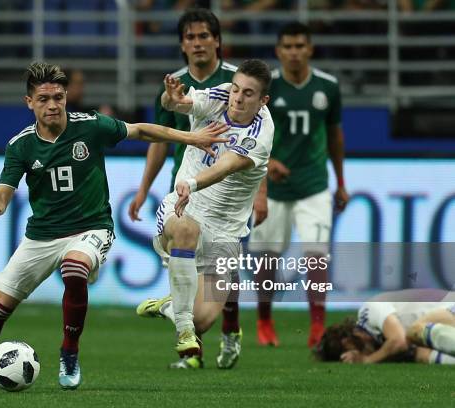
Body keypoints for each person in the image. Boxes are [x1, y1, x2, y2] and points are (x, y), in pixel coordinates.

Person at [0, 62, 229, 391]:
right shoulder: (20, 145)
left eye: (58, 97)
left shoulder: (89, 125)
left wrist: (191, 137)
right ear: (29, 102)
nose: (52, 105)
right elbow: (5, 189)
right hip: (42, 235)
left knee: (75, 269)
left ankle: (69, 353)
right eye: (44, 98)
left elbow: (141, 131)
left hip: (92, 227)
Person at [128, 7, 249, 370]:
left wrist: (260, 192)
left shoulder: (238, 83)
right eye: (190, 37)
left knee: (225, 275)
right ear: (182, 45)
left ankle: (229, 328)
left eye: (203, 36)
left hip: (230, 195)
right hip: (187, 192)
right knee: (189, 264)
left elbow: (260, 142)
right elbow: (159, 139)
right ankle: (191, 349)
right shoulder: (175, 84)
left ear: (217, 41)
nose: (197, 43)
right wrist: (142, 189)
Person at [137, 59, 274, 369]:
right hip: (184, 208)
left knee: (201, 321)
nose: (238, 97)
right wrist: (169, 97)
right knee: (187, 230)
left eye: (248, 94)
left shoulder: (261, 134)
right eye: (237, 88)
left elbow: (226, 166)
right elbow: (179, 104)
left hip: (225, 233)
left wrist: (193, 182)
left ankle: (173, 307)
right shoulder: (222, 95)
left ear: (263, 100)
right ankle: (183, 326)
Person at [248, 22, 349, 348]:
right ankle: (264, 320)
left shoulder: (328, 87)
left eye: (299, 46)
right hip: (272, 189)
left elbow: (335, 135)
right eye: (287, 46)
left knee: (316, 256)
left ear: (310, 49)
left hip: (313, 186)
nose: (293, 52)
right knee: (266, 258)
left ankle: (318, 327)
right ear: (278, 51)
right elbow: (250, 134)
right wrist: (269, 162)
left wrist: (341, 182)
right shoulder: (267, 86)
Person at [314, 289, 455, 365]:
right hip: (444, 325)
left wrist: (367, 361)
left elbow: (399, 341)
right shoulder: (380, 341)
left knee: (413, 332)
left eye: (350, 352)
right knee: (417, 354)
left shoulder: (369, 309)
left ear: (347, 342)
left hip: (450, 307)